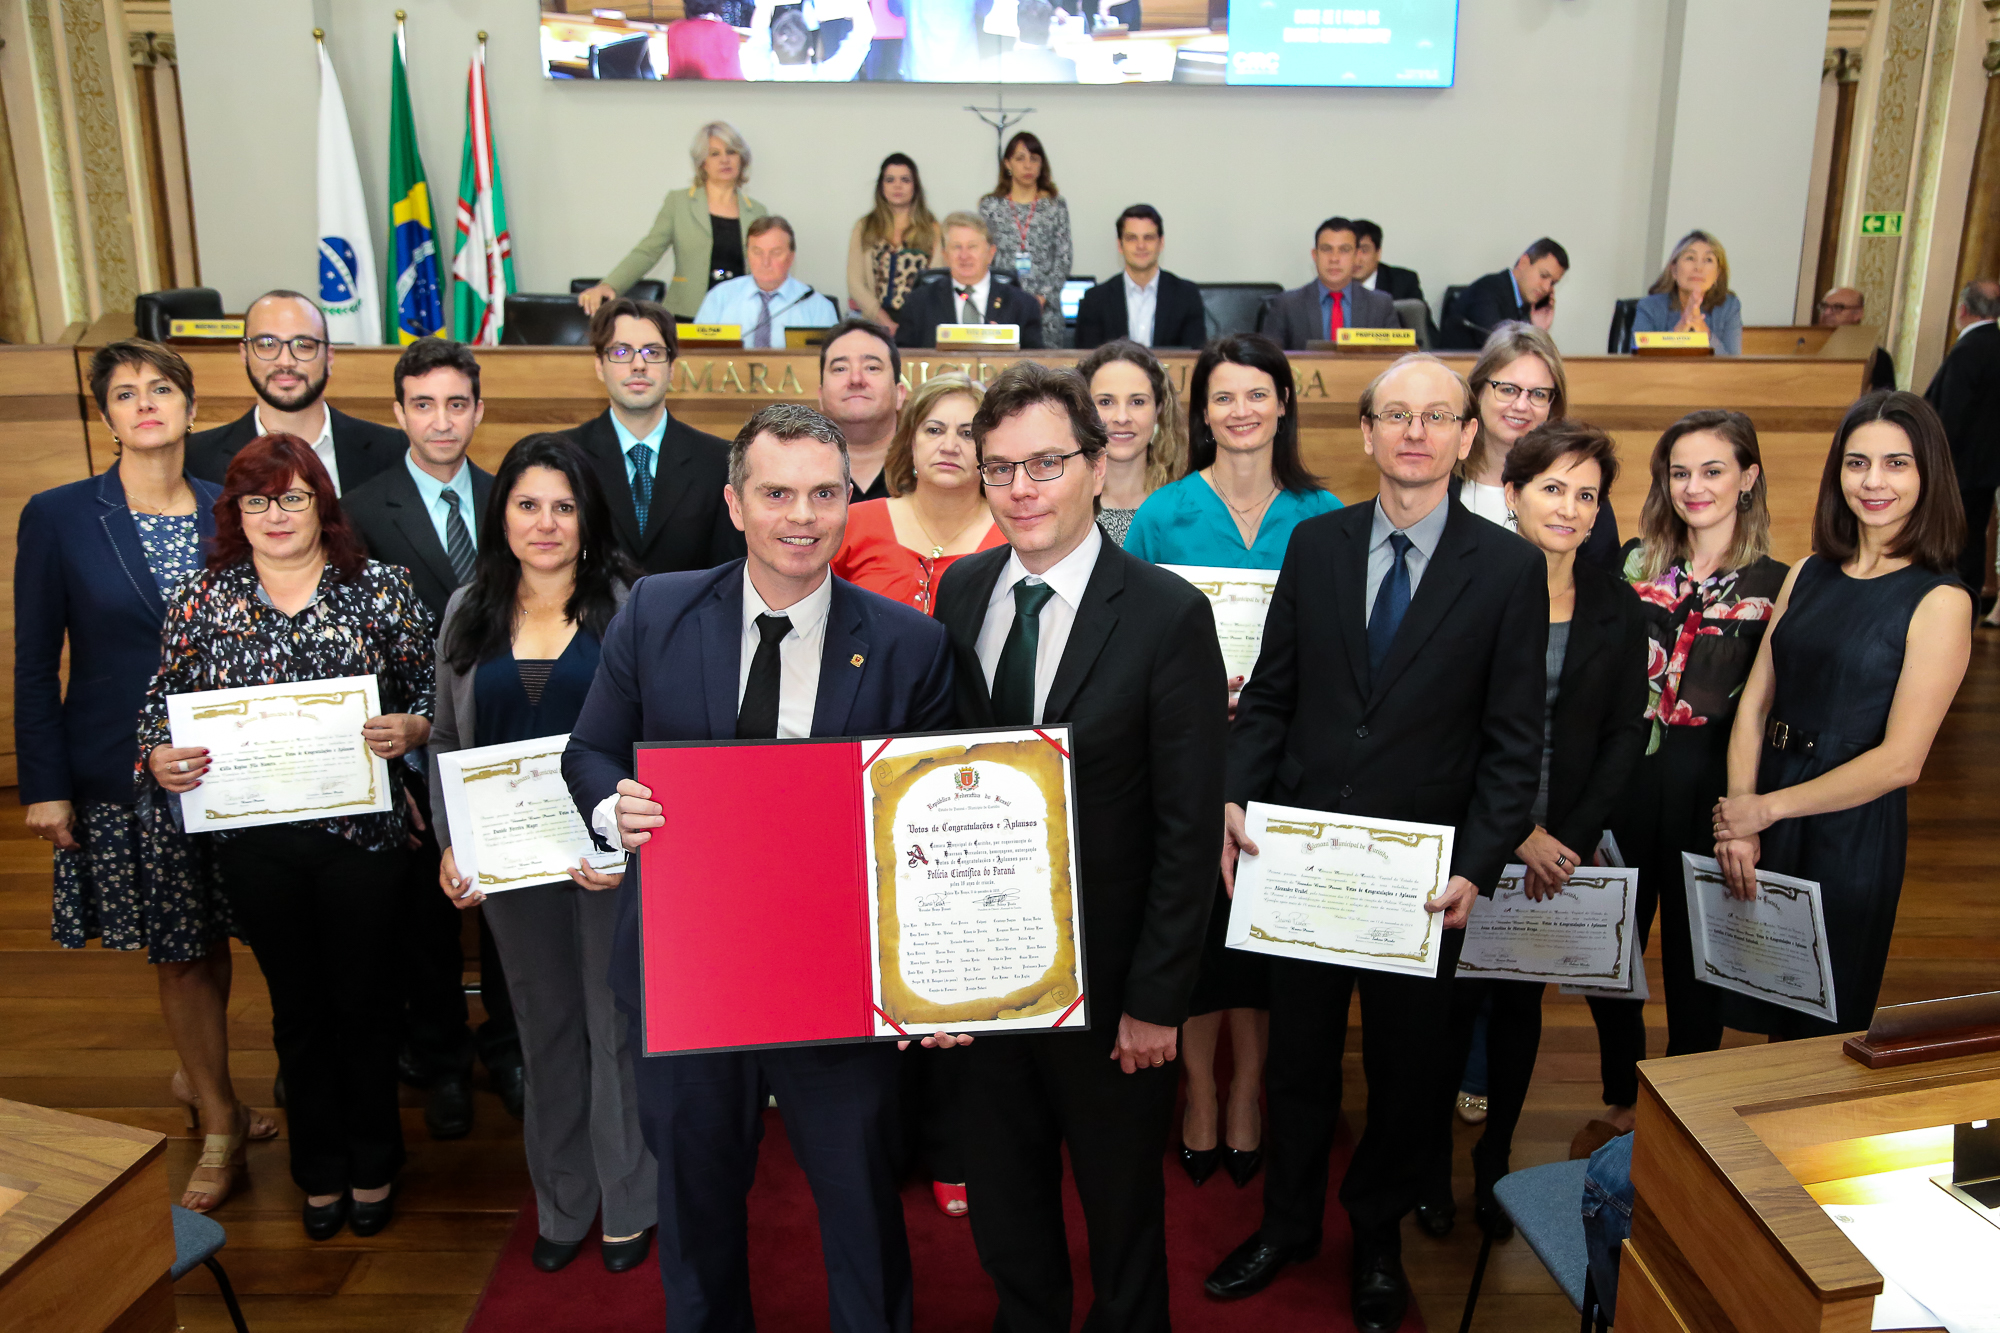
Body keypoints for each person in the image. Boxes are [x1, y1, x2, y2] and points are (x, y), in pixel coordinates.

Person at [564, 403, 956, 1332]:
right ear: (735, 503)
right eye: (776, 492)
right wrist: (610, 805)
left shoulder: (909, 644)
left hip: (837, 981)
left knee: (860, 1202)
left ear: (847, 503)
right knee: (697, 1204)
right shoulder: (656, 610)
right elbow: (588, 751)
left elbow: (933, 819)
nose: (801, 516)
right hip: (691, 972)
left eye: (825, 494)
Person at [1204, 353, 1546, 1333]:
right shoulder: (1314, 546)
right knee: (1297, 1064)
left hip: (1421, 882)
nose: (1413, 431)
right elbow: (1269, 697)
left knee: (1407, 1076)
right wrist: (1235, 797)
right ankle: (1286, 1224)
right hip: (1301, 866)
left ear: (1463, 434)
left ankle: (1377, 1239)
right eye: (1394, 414)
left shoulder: (1509, 569)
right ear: (1363, 432)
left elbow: (1512, 744)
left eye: (1436, 415)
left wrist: (1477, 862)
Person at [932, 361, 1227, 1331]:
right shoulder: (962, 590)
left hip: (1111, 998)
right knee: (1006, 1208)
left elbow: (1188, 830)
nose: (1021, 488)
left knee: (1120, 1221)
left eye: (1045, 463)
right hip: (985, 976)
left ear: (1097, 469)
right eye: (999, 468)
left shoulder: (1166, 613)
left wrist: (1156, 1001)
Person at [139, 434, 435, 1241]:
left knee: (366, 1003)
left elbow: (431, 696)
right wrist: (160, 757)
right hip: (255, 844)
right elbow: (154, 714)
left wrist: (414, 727)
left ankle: (374, 1161)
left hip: (363, 838)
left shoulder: (381, 589)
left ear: (322, 504)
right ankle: (318, 1169)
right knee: (296, 1010)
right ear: (235, 511)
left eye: (293, 496)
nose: (276, 514)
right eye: (257, 500)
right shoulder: (202, 600)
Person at [15, 339, 274, 1213]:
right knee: (180, 950)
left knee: (233, 930)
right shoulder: (58, 516)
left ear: (195, 409)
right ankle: (220, 1116)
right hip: (126, 775)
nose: (146, 404)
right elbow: (32, 662)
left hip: (236, 764)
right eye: (125, 393)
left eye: (162, 388)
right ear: (107, 416)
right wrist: (44, 785)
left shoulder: (231, 508)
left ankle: (204, 1077)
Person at [432, 433, 656, 1275]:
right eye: (528, 504)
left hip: (608, 861)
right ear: (503, 515)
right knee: (544, 1026)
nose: (546, 522)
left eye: (564, 505)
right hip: (512, 871)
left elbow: (657, 734)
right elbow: (450, 737)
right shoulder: (468, 606)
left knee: (616, 1026)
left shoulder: (634, 603)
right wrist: (453, 845)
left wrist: (625, 846)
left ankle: (631, 1198)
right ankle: (564, 1196)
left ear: (588, 517)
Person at [1121, 334, 1337, 1195]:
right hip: (1185, 745)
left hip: (1289, 751)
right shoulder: (1163, 514)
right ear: (1201, 411)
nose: (1241, 411)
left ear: (1283, 402)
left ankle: (1249, 1085)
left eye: (1258, 394)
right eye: (1223, 396)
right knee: (1199, 923)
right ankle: (1199, 1088)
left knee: (1263, 928)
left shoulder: (1324, 516)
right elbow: (1129, 634)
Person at [1427, 422, 1648, 1241]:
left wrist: (1574, 833)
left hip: (1564, 848)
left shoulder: (1616, 604)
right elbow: (1444, 727)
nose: (1571, 506)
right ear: (1511, 495)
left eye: (1587, 493)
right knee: (1447, 1007)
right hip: (1475, 834)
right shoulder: (1467, 587)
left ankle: (1495, 1164)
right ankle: (1427, 1165)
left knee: (1520, 1011)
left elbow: (1628, 729)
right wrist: (1517, 830)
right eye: (1554, 487)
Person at [1711, 391, 1971, 1039]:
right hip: (1765, 799)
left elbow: (1902, 760)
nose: (1873, 481)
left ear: (1928, 474)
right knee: (1748, 997)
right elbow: (1755, 703)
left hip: (1848, 825)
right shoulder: (1808, 572)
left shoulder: (1941, 598)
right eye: (1857, 463)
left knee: (1816, 1028)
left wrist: (1765, 810)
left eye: (1896, 464)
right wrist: (1742, 812)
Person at [1573, 410, 1786, 1160]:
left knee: (1698, 954)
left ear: (1748, 477)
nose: (1694, 487)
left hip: (1708, 784)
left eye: (1714, 470)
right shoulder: (1633, 561)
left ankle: (1687, 1100)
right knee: (1610, 943)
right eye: (1680, 471)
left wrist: (1749, 812)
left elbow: (1764, 707)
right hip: (1621, 776)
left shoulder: (1778, 583)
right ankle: (1625, 1095)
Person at [343, 337, 517, 1141]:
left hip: (502, 736)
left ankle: (511, 1048)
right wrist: (408, 732)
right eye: (424, 404)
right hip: (405, 749)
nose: (441, 420)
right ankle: (443, 1059)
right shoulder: (359, 507)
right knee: (428, 922)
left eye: (457, 403)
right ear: (398, 412)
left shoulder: (509, 499)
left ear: (479, 410)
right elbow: (351, 644)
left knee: (514, 902)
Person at [563, 297, 745, 574]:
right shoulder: (564, 456)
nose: (639, 365)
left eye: (653, 352)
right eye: (622, 352)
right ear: (599, 366)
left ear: (672, 368)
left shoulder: (718, 461)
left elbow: (728, 575)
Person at [186, 290, 404, 494]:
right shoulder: (196, 458)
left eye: (303, 345)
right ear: (244, 355)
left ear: (329, 357)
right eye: (267, 344)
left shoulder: (395, 451)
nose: (285, 361)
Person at [832, 371, 1004, 615]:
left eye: (967, 434)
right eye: (934, 430)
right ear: (911, 441)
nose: (949, 447)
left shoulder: (1011, 534)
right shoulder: (852, 524)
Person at [1458, 323, 1622, 569]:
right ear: (1479, 391)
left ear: (1552, 404)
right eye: (1508, 389)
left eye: (1538, 394)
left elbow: (1603, 589)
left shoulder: (1581, 493)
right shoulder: (1440, 484)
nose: (1522, 406)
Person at [577, 122, 769, 322]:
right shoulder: (678, 203)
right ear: (702, 162)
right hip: (687, 313)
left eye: (731, 152)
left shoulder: (756, 211)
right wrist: (610, 285)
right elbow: (648, 251)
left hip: (740, 314)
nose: (725, 160)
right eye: (714, 154)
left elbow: (766, 265)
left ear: (742, 159)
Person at [1921, 279, 2000, 617]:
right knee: (1973, 539)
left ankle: (1950, 614)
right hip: (1986, 468)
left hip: (1957, 468)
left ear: (1962, 310)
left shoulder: (1967, 351)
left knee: (1953, 544)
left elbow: (1948, 417)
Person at [1078, 339, 1188, 545]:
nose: (1121, 417)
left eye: (1137, 402)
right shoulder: (1062, 507)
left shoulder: (1188, 507)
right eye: (1106, 402)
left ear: (1159, 409)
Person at [895, 212, 1045, 350]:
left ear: (991, 253)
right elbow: (902, 358)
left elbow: (1035, 365)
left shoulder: (1023, 305)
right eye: (956, 247)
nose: (964, 255)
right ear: (945, 255)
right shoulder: (918, 302)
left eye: (972, 247)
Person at [978, 132, 1072, 350]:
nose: (1028, 165)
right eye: (1020, 158)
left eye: (1034, 159)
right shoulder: (991, 206)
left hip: (1046, 310)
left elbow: (1064, 258)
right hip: (1002, 304)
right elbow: (985, 257)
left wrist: (1042, 298)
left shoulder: (1055, 206)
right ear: (1007, 164)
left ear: (1042, 165)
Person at [1073, 205, 1209, 350]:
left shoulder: (1186, 295)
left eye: (1148, 238)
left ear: (1161, 243)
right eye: (1132, 238)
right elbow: (1088, 362)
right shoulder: (1095, 300)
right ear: (1120, 245)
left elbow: (1194, 360)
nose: (1141, 245)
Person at [692, 216, 840, 348]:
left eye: (775, 253)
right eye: (757, 252)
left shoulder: (817, 307)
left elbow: (829, 365)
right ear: (747, 254)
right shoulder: (720, 298)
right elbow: (696, 354)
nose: (765, 262)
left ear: (791, 258)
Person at [1260, 217, 1399, 351]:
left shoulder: (1380, 305)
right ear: (1315, 255)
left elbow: (1397, 363)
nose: (1334, 258)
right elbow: (1270, 362)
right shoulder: (1286, 305)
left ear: (1356, 257)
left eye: (1344, 250)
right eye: (1327, 249)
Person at [847, 153, 945, 331]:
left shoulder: (932, 229)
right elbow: (855, 283)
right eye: (890, 180)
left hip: (919, 324)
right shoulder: (864, 227)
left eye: (905, 180)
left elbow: (936, 283)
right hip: (874, 321)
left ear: (915, 186)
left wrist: (910, 324)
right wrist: (885, 322)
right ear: (881, 187)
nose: (897, 186)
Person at [819, 317, 910, 501]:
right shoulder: (795, 472)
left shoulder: (927, 471)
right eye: (840, 369)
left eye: (872, 367)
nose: (856, 379)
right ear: (820, 396)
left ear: (899, 394)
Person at [1439, 239, 1569, 350]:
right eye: (1543, 276)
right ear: (1523, 262)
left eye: (1553, 283)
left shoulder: (1527, 307)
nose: (1546, 288)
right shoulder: (1488, 290)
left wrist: (1539, 330)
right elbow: (1499, 351)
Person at [1633, 230, 1742, 356]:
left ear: (1717, 274)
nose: (1698, 268)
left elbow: (1733, 364)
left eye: (1708, 260)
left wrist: (1704, 332)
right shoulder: (1649, 307)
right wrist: (1680, 329)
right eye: (1690, 258)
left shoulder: (1729, 307)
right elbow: (1639, 359)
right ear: (1674, 270)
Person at [742, 0, 875, 80]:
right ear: (811, 50)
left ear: (774, 52)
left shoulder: (762, 78)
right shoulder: (830, 78)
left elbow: (759, 33)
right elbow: (865, 32)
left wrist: (765, 5)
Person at [1820, 287, 1898, 390]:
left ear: (1858, 314)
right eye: (1824, 307)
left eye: (1837, 308)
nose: (1827, 313)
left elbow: (1882, 402)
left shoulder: (1877, 357)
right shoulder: (1807, 349)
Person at [665, 1, 745, 80]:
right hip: (718, 90)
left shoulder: (674, 30)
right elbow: (735, 77)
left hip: (682, 91)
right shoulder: (727, 32)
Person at [1351, 220, 1424, 302]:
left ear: (1378, 253)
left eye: (1364, 250)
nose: (1356, 259)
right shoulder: (1334, 283)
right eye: (1349, 250)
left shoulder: (1403, 283)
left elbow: (1419, 314)